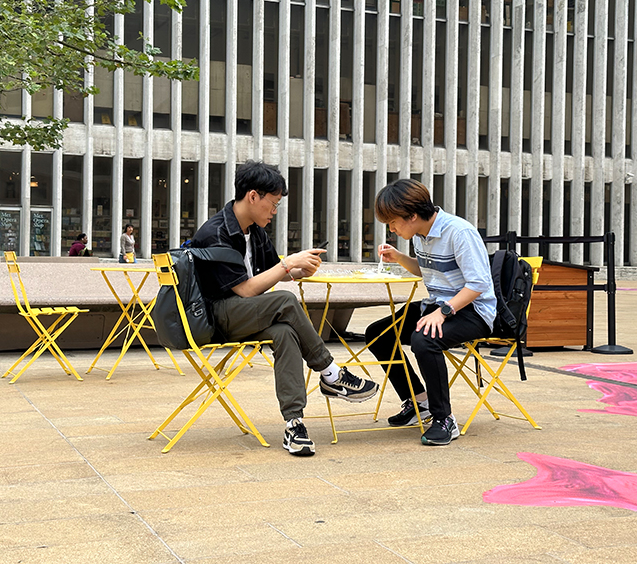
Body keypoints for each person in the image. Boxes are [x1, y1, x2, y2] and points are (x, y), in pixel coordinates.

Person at [191, 160, 379, 457]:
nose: (275, 211)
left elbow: (266, 276)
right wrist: (287, 264)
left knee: (284, 332)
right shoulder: (216, 232)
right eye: (273, 203)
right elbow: (245, 289)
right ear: (253, 196)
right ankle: (331, 374)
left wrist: (295, 271)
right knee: (286, 301)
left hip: (243, 311)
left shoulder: (255, 230)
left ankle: (295, 424)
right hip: (217, 316)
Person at [365, 178, 496, 446]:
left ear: (412, 215)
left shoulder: (459, 232)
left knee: (424, 340)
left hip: (472, 310)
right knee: (378, 334)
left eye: (393, 222)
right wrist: (400, 257)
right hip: (439, 306)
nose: (391, 228)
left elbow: (479, 284)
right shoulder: (420, 235)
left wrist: (444, 311)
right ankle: (419, 403)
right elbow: (425, 270)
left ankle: (444, 419)